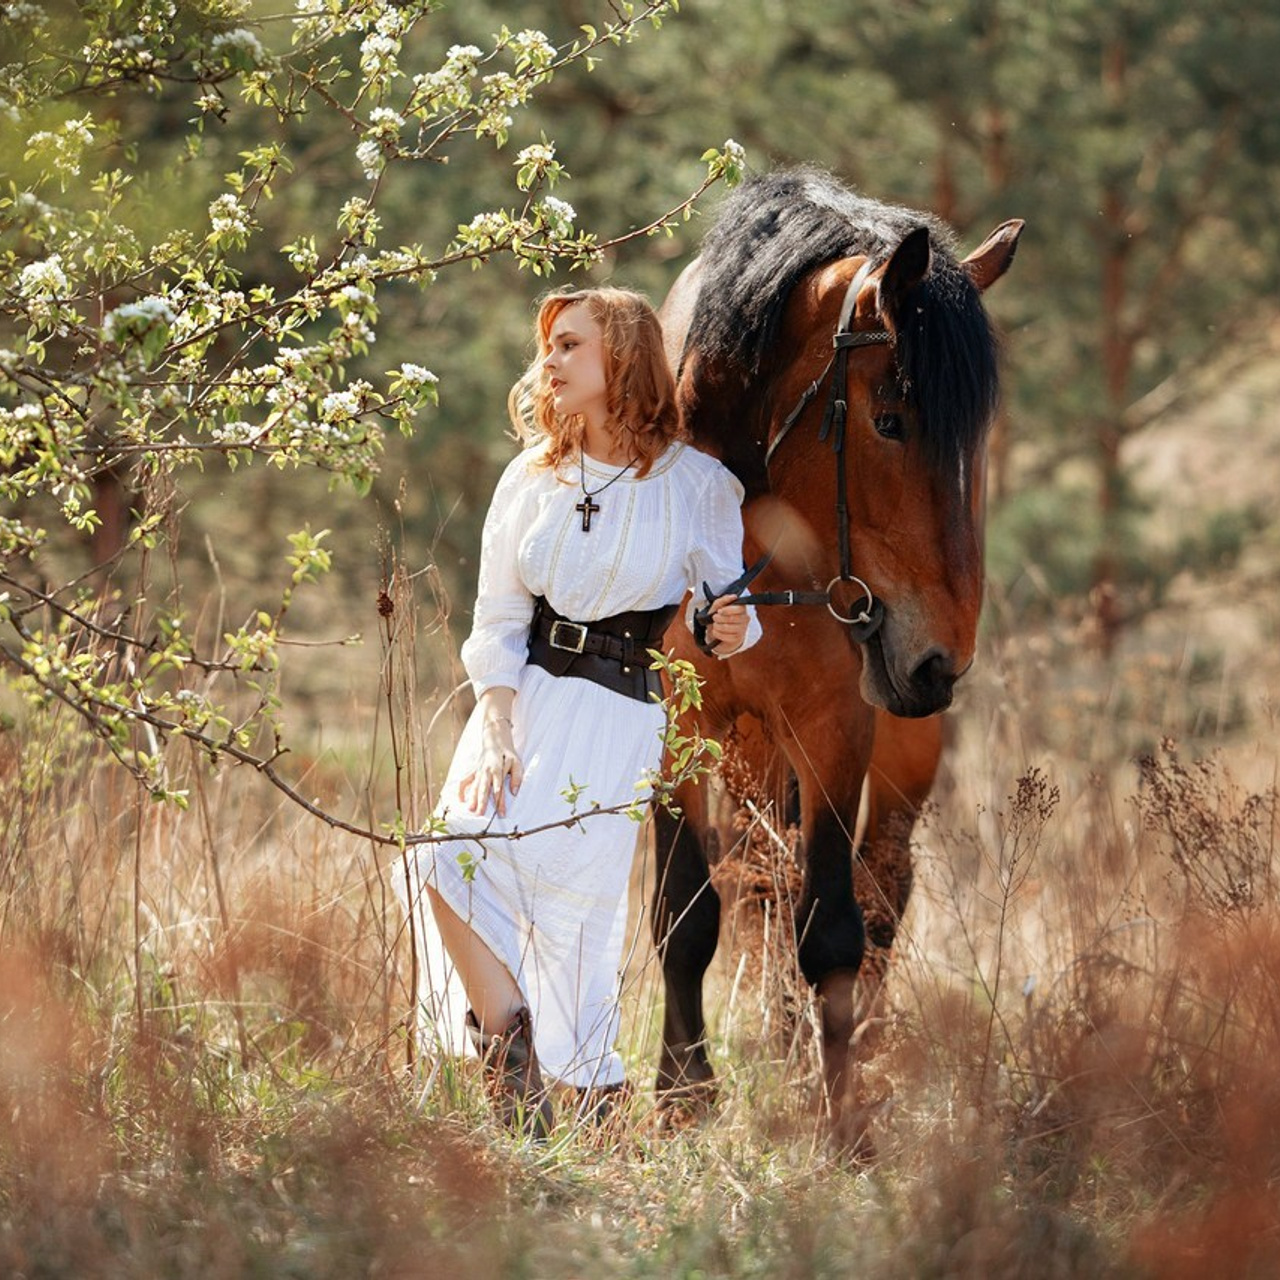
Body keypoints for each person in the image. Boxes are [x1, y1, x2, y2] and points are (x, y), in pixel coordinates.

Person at [398, 286, 760, 1137]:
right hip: (522, 703)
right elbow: (495, 621)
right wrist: (492, 727)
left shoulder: (697, 485)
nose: (549, 362)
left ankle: (592, 1103)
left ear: (623, 358)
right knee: (444, 861)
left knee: (574, 916)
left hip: (618, 713)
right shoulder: (530, 477)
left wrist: (728, 624)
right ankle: (515, 1069)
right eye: (548, 347)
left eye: (570, 346)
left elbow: (726, 616)